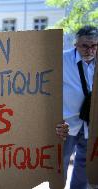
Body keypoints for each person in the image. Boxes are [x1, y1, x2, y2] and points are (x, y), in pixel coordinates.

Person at [56, 25, 98, 189]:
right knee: (62, 163)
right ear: (75, 45)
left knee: (85, 165)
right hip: (66, 123)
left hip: (91, 124)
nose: (90, 50)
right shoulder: (62, 60)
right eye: (84, 46)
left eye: (94, 45)